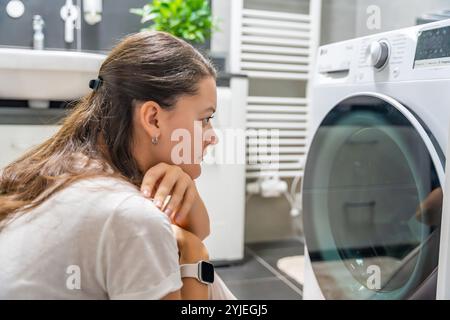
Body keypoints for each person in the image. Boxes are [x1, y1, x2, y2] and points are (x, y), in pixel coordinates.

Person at [0, 31, 234, 300]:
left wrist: (188, 203)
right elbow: (195, 239)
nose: (212, 135)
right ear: (153, 119)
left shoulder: (63, 173)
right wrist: (195, 253)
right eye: (205, 119)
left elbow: (201, 229)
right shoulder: (131, 216)